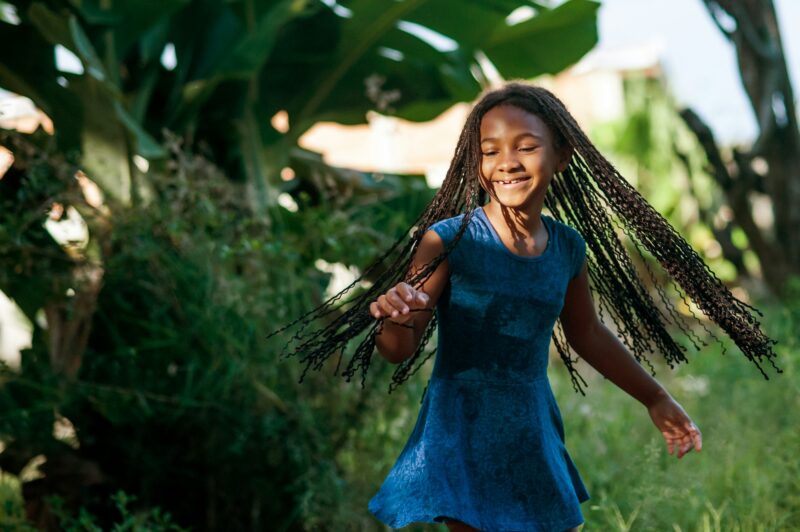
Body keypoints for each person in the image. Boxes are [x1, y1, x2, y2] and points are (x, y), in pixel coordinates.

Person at [268, 81, 781, 531]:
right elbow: (399, 349)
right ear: (477, 163)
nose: (506, 162)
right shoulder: (449, 240)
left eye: (526, 146)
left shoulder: (567, 248)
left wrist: (655, 398)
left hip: (532, 426)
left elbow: (588, 335)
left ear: (561, 156)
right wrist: (394, 318)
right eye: (489, 151)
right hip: (461, 426)